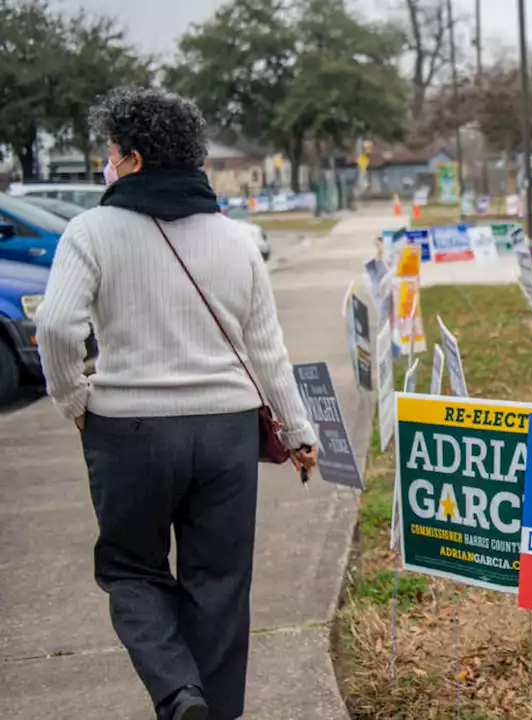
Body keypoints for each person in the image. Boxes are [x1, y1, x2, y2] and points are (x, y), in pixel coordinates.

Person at [34, 87, 318, 720]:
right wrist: (297, 429)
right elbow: (265, 346)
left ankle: (176, 690)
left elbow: (55, 327)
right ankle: (214, 708)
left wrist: (74, 400)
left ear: (131, 158)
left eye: (111, 152)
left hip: (128, 429)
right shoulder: (238, 239)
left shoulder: (91, 231)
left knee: (132, 571)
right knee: (219, 584)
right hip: (226, 432)